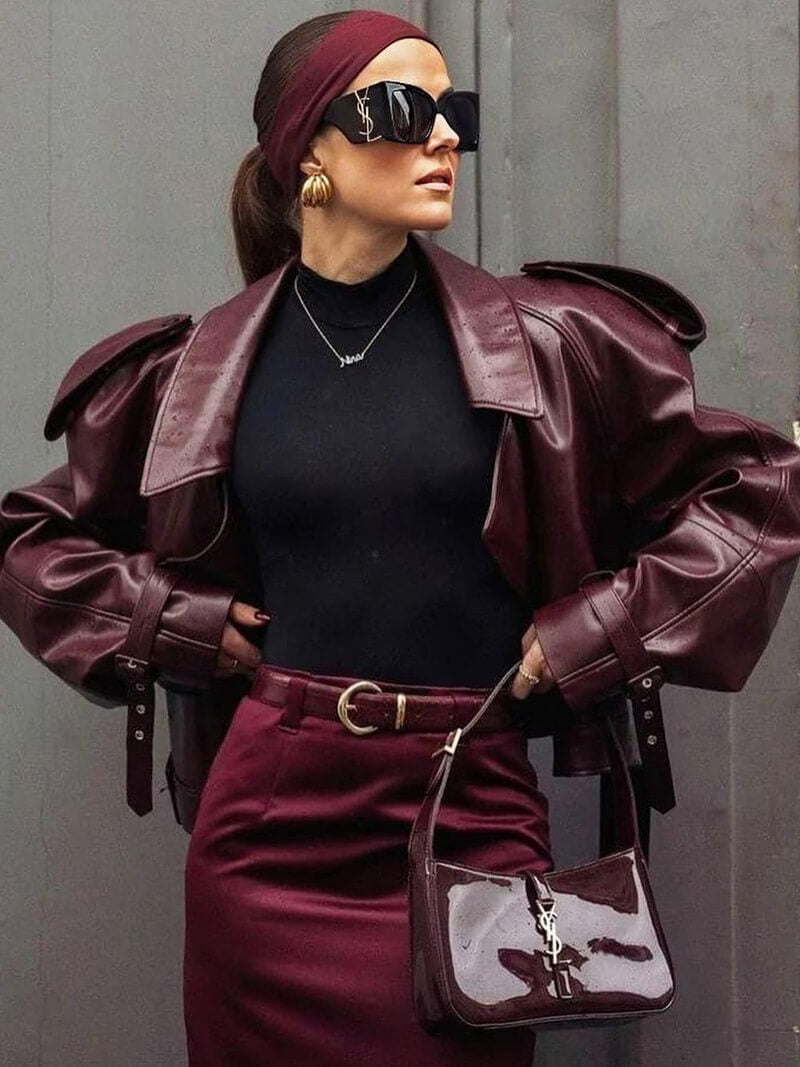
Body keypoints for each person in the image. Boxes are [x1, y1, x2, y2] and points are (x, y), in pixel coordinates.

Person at [1, 8, 799, 1067]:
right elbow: (32, 542)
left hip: (467, 798)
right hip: (267, 824)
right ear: (309, 151)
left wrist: (600, 630)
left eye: (451, 110)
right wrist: (165, 621)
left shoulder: (551, 342)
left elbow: (758, 492)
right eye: (399, 110)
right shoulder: (193, 369)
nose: (443, 136)